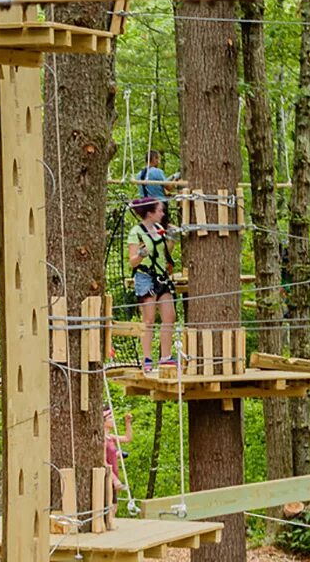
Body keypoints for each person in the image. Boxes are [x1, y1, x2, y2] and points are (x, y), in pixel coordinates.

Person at [127, 196, 178, 373]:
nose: (162, 213)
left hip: (161, 276)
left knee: (169, 316)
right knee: (148, 320)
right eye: (159, 211)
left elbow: (164, 253)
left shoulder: (158, 228)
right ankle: (147, 358)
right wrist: (141, 254)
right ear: (150, 213)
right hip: (145, 277)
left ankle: (166, 357)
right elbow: (132, 262)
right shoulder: (136, 232)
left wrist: (172, 239)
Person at [104, 408, 133, 491]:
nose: (113, 420)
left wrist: (127, 423)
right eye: (110, 417)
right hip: (108, 477)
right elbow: (103, 461)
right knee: (109, 503)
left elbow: (128, 438)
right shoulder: (102, 439)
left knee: (115, 503)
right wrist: (115, 480)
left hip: (114, 475)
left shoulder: (111, 437)